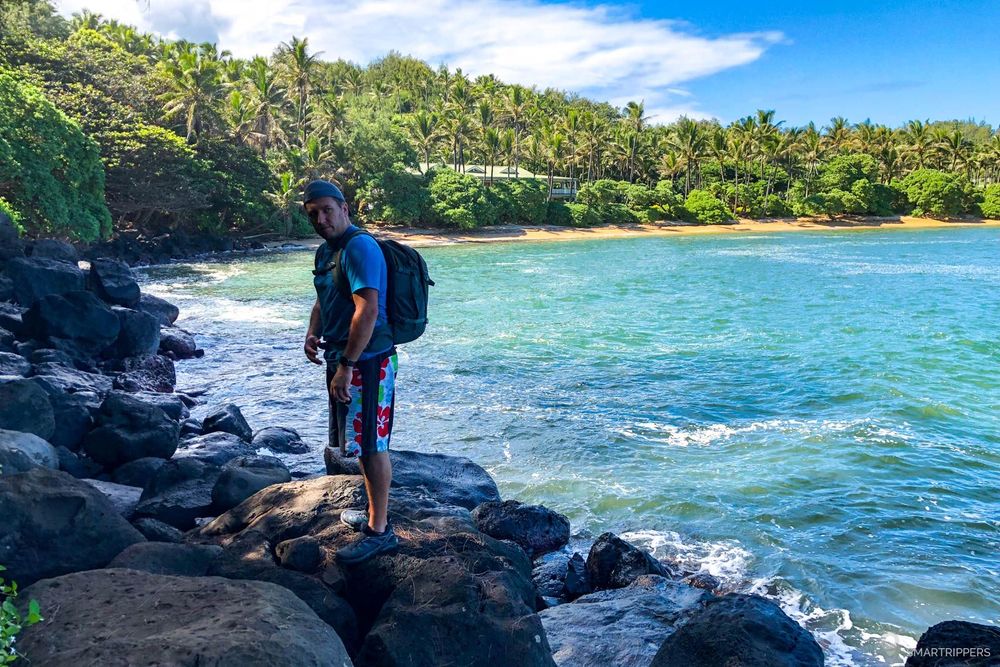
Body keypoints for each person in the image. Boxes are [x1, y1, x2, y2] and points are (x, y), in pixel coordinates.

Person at [302, 179, 399, 565]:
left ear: (345, 207)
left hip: (368, 361)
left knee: (373, 444)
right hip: (346, 359)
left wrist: (347, 366)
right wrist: (312, 330)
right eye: (313, 214)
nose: (321, 219)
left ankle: (380, 531)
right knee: (357, 442)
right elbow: (324, 297)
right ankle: (376, 516)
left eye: (327, 210)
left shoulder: (359, 247)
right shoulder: (328, 252)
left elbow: (368, 311)